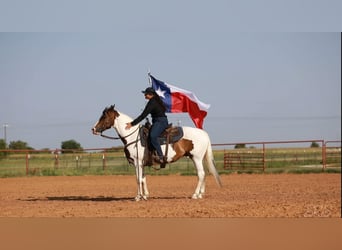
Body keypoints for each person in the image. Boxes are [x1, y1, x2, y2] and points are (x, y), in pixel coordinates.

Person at [125, 87, 169, 168]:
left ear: (150, 94)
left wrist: (132, 124)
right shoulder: (154, 101)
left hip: (160, 122)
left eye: (146, 94)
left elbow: (143, 115)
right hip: (157, 121)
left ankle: (161, 156)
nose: (144, 95)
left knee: (153, 136)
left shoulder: (152, 102)